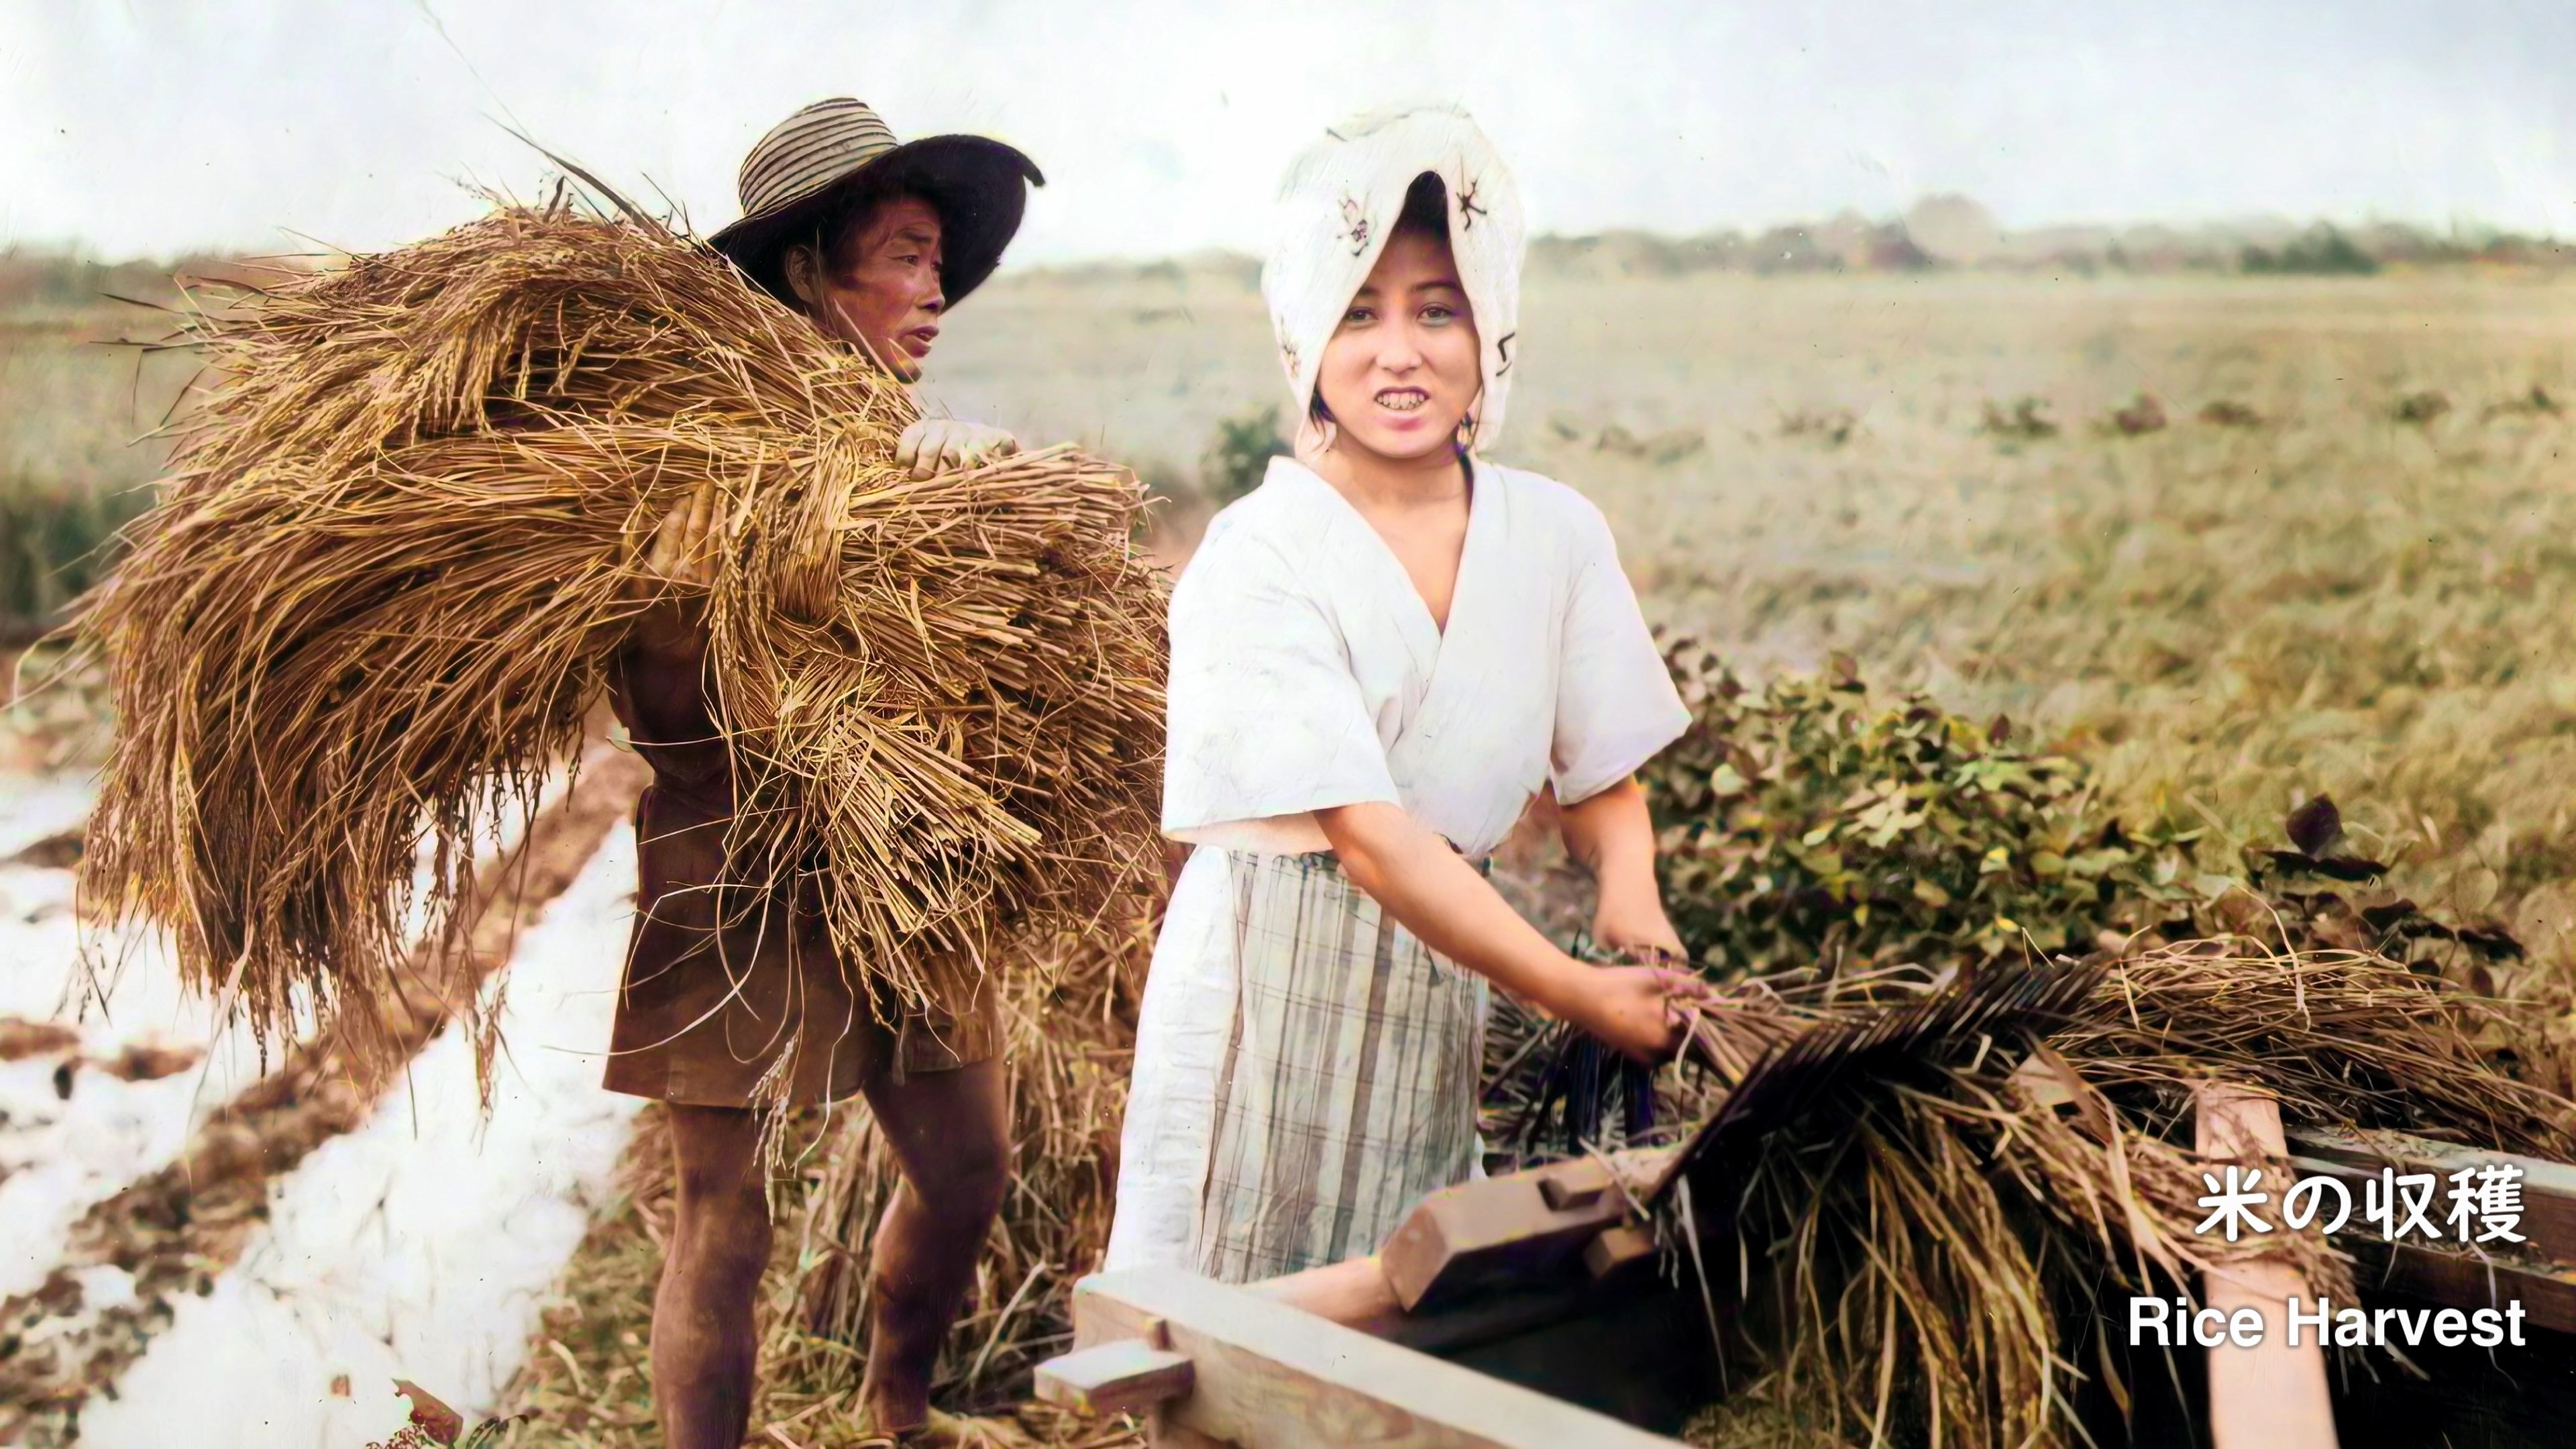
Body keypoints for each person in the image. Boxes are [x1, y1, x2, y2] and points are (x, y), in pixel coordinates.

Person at [1104, 105, 1709, 1285]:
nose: (1401, 352)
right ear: (1302, 338)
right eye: (1359, 312)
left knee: (1409, 1292)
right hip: (1266, 990)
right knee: (1232, 1317)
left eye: (1439, 308)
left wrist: (1630, 899)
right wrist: (1581, 991)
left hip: (1442, 983)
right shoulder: (1261, 551)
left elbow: (1604, 782)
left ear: (1493, 330)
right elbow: (1369, 842)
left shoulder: (1554, 533)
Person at [616, 97, 1041, 1449]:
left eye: (938, 262)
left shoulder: (911, 454)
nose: (934, 293)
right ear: (809, 268)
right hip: (731, 859)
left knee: (971, 1170)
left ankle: (898, 1415)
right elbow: (671, 689)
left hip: (904, 856)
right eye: (907, 256)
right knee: (723, 1213)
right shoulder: (703, 455)